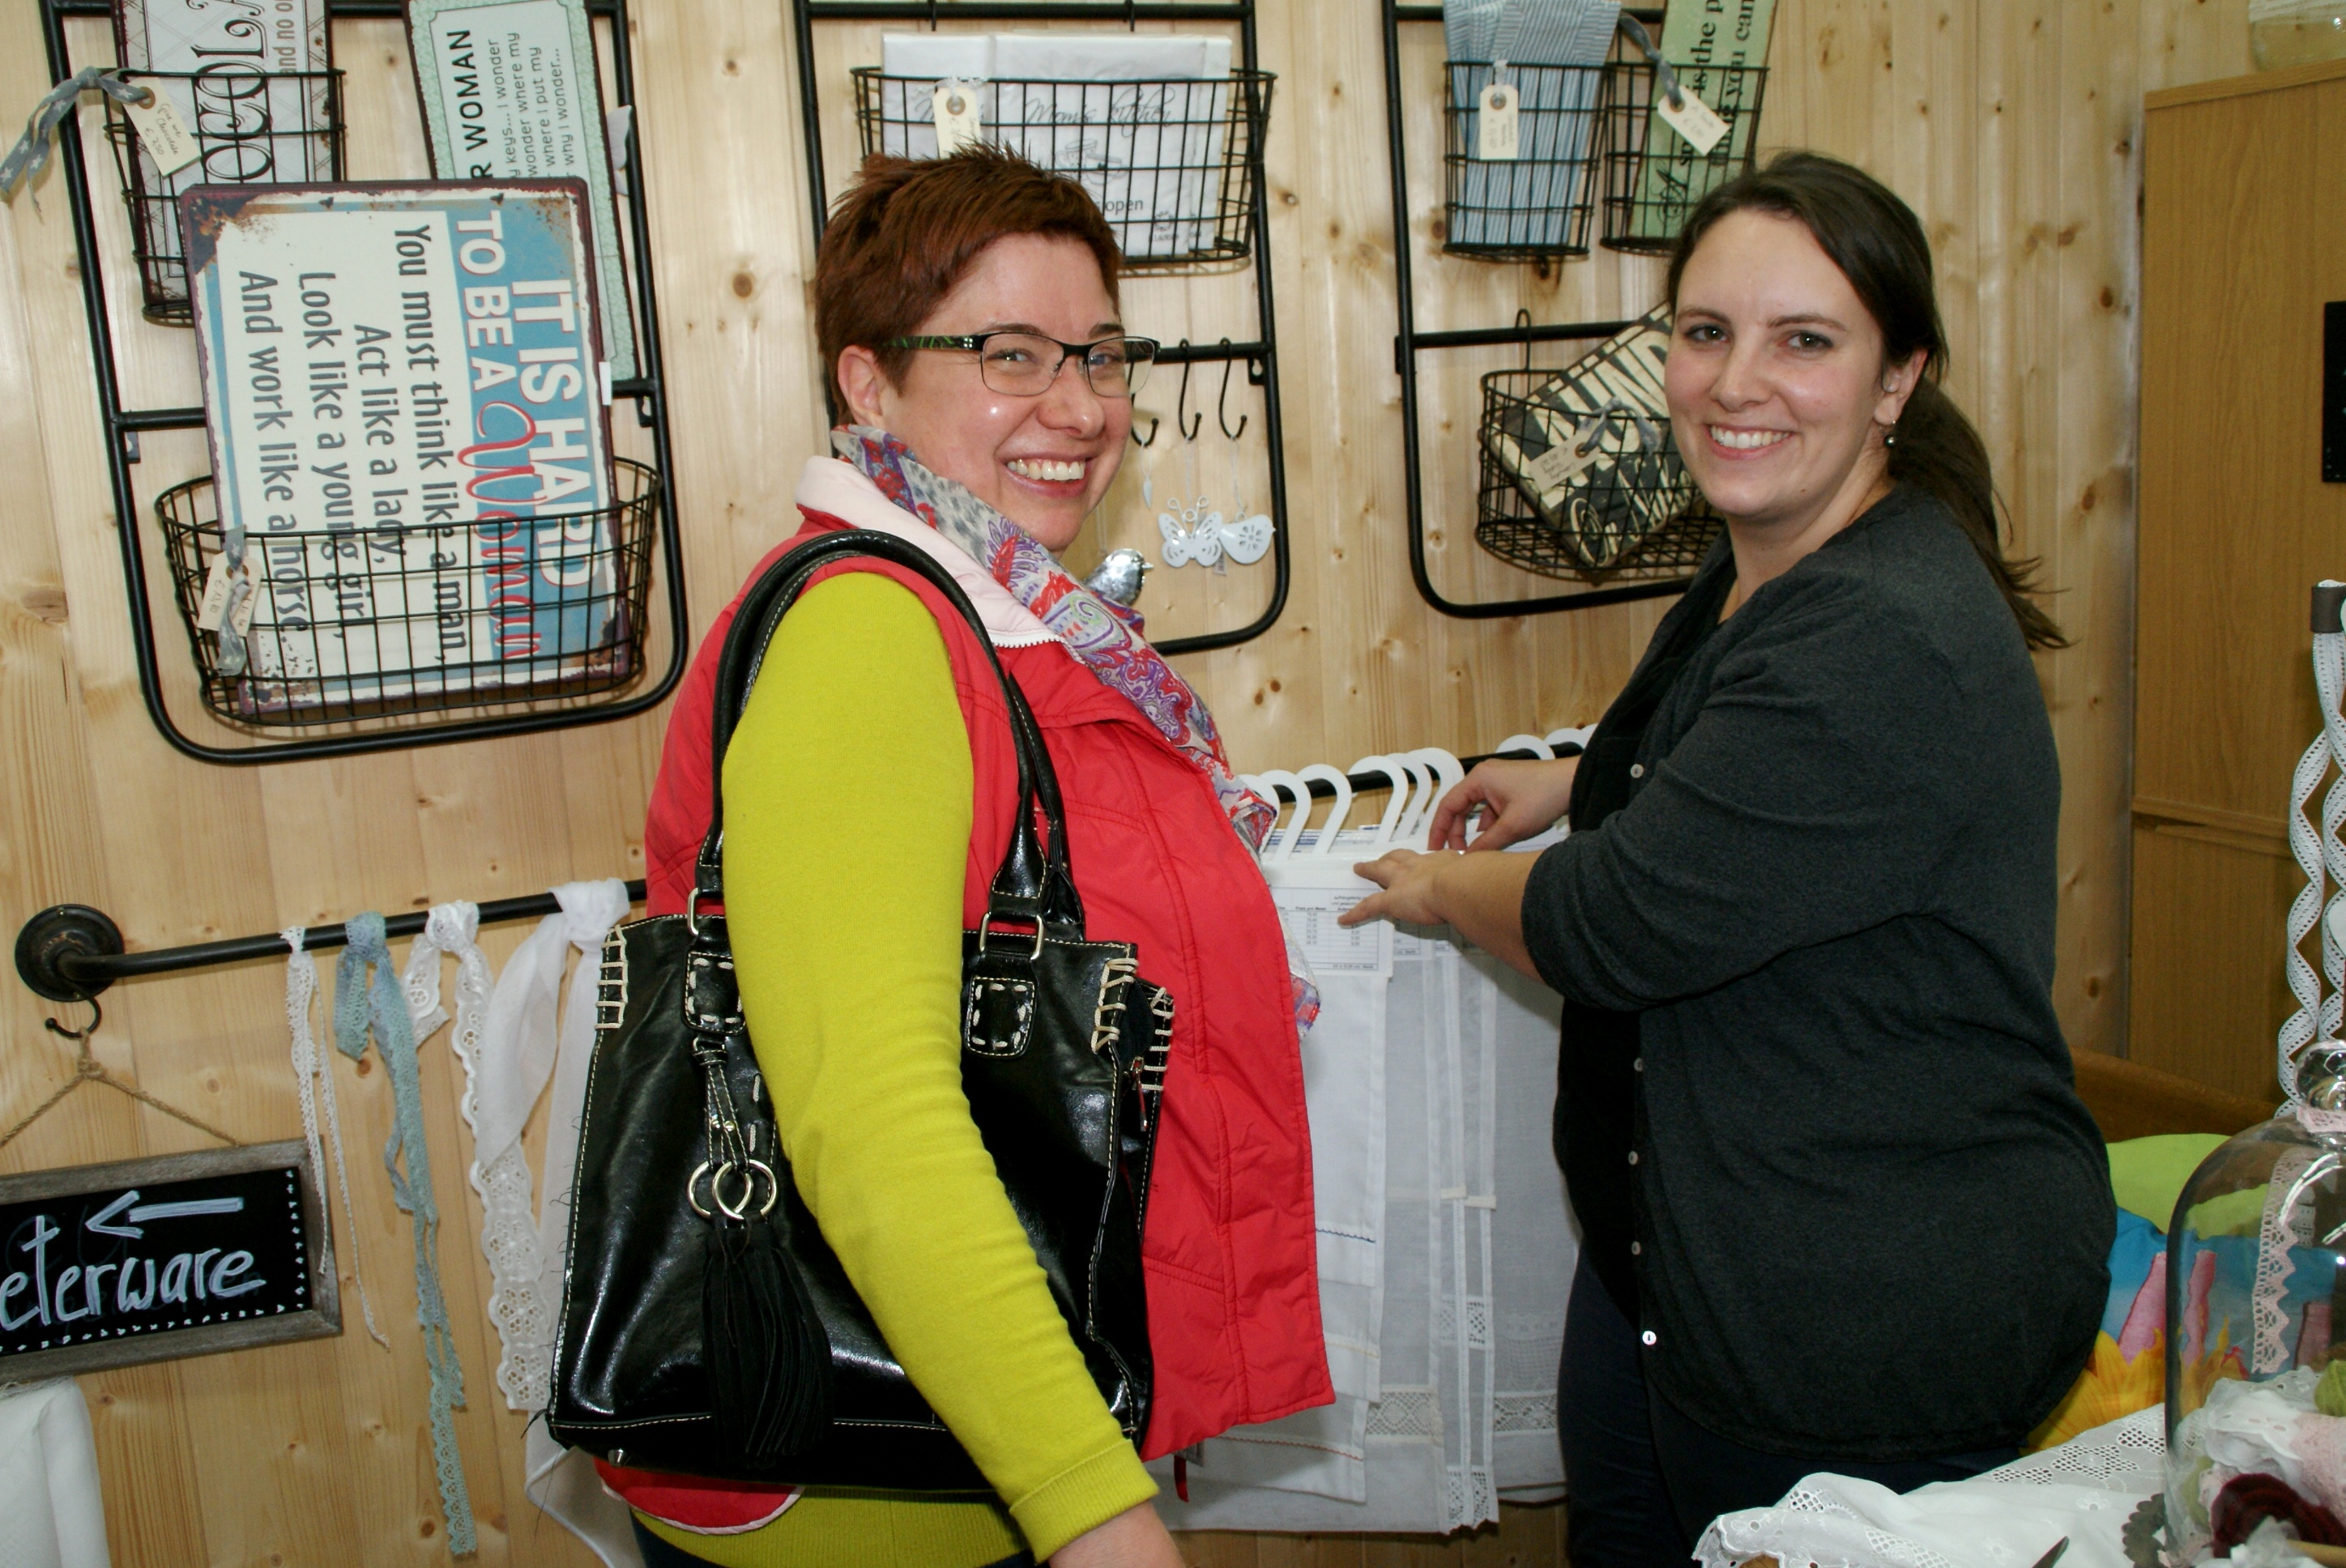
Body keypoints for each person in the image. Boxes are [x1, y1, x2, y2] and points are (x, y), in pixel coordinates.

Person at [1342, 151, 2114, 1559]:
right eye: (1707, 333)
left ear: (1897, 380)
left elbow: (1611, 924)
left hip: (1851, 1315)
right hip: (1678, 1271)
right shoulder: (1779, 547)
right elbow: (1737, 757)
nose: (1737, 383)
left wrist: (1439, 887)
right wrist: (1578, 778)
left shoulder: (1882, 634)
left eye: (1804, 341)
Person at [624, 147, 1330, 1567]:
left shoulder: (1012, 630)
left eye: (1100, 355)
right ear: (869, 384)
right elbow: (874, 1123)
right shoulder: (869, 635)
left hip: (967, 1449)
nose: (1078, 407)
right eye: (1010, 355)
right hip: (868, 1494)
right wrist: (1093, 1512)